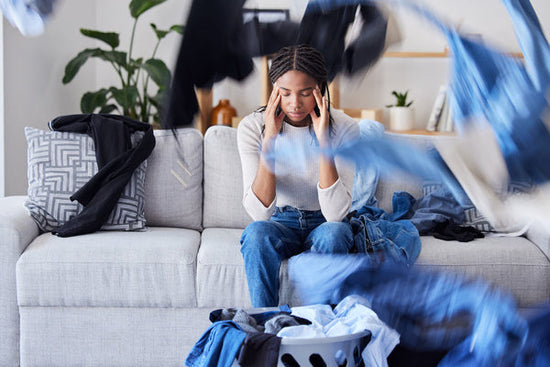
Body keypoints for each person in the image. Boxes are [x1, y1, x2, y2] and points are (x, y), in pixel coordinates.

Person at [237, 44, 360, 307]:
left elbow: (336, 214)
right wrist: (270, 138)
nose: (295, 103)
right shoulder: (252, 127)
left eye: (305, 93)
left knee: (335, 234)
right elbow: (260, 214)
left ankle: (321, 323)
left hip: (324, 223)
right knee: (256, 234)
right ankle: (267, 325)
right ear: (273, 92)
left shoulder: (346, 128)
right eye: (285, 93)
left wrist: (324, 140)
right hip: (281, 222)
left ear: (320, 88)